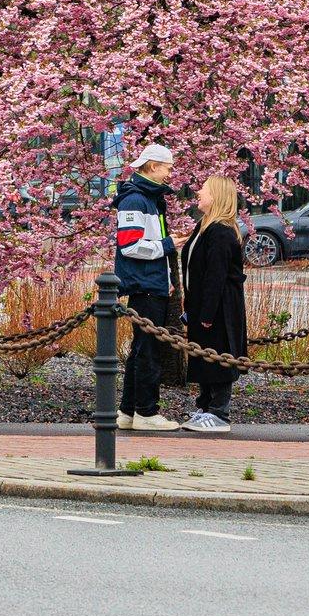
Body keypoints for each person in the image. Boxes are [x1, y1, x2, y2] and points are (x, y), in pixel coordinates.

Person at [113, 144, 180, 432]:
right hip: (145, 285)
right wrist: (168, 245)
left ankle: (128, 411)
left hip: (152, 283)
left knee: (142, 349)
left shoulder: (147, 200)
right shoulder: (136, 201)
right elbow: (130, 246)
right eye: (167, 167)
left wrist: (168, 280)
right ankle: (146, 411)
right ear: (152, 166)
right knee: (148, 350)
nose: (169, 173)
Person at [181, 175, 248, 433]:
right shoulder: (204, 226)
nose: (198, 192)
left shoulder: (220, 232)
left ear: (216, 197)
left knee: (217, 352)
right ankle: (206, 406)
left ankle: (219, 411)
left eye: (204, 189)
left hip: (219, 307)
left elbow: (216, 275)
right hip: (202, 304)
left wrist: (207, 312)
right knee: (203, 354)